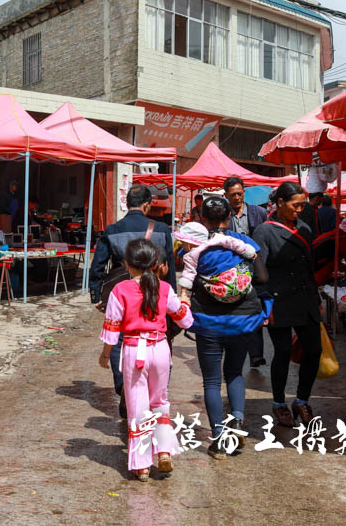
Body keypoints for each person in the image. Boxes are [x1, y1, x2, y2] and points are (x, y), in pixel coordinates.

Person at [181, 196, 272, 459]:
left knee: (211, 380)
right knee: (234, 374)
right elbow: (263, 278)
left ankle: (219, 436)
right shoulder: (244, 243)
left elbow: (186, 279)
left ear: (202, 219)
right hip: (242, 320)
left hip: (208, 322)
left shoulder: (196, 246)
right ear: (230, 217)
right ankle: (238, 422)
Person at [98, 239, 193, 481]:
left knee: (137, 406)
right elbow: (183, 319)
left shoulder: (120, 290)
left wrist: (106, 354)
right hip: (160, 348)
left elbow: (112, 328)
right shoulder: (164, 288)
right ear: (154, 264)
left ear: (127, 264)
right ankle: (163, 451)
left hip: (133, 350)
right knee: (160, 401)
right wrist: (185, 300)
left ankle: (141, 466)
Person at [89, 185, 177, 419]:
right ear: (147, 205)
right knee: (153, 337)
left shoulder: (112, 229)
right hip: (154, 290)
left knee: (120, 337)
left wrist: (96, 295)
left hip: (120, 290)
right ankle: (150, 393)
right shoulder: (161, 229)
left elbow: (98, 264)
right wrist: (172, 295)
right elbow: (169, 266)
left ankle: (124, 387)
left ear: (127, 203)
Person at [252, 182, 322, 428]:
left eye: (303, 205)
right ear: (280, 203)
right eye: (296, 205)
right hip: (278, 300)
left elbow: (310, 266)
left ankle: (302, 399)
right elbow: (257, 271)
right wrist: (264, 301)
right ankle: (279, 403)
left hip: (306, 299)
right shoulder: (264, 231)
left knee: (314, 351)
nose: (300, 209)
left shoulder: (304, 227)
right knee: (281, 353)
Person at [223, 176, 268, 368]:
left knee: (253, 307)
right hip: (231, 269)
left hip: (255, 268)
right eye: (232, 194)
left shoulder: (259, 213)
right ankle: (235, 351)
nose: (236, 197)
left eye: (239, 193)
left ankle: (256, 355)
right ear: (226, 195)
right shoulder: (223, 214)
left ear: (244, 192)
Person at [313, 216, 346, 285]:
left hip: (312, 265)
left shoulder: (333, 234)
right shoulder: (344, 238)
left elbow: (335, 260)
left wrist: (344, 268)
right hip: (318, 269)